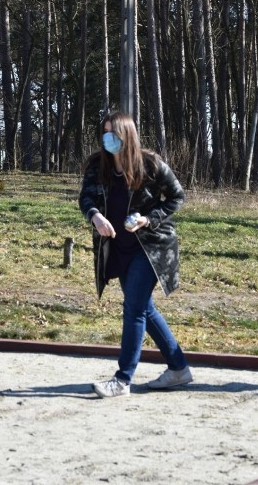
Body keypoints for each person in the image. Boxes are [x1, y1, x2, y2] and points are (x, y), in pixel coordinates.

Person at [79, 111, 192, 398]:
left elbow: (177, 197)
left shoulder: (151, 164)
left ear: (126, 135)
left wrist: (149, 218)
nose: (108, 139)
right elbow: (86, 197)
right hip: (118, 247)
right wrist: (95, 216)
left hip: (152, 247)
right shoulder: (97, 165)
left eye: (113, 134)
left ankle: (122, 379)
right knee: (144, 308)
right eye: (104, 133)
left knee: (133, 309)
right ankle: (178, 368)